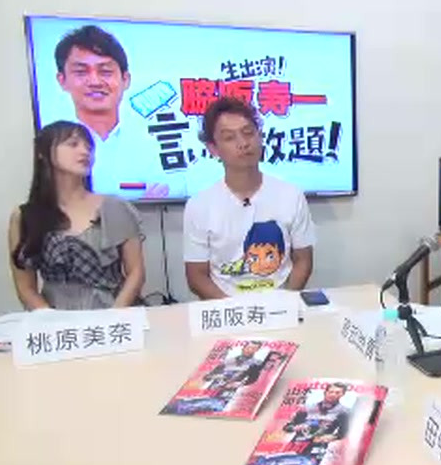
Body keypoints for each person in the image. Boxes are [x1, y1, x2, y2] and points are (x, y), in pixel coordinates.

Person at [183, 97, 316, 299]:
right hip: (226, 308)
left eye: (248, 133)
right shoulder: (199, 206)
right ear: (213, 149)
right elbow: (196, 277)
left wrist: (285, 302)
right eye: (229, 137)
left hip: (281, 304)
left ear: (260, 137)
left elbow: (303, 261)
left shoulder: (291, 195)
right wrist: (234, 310)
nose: (244, 143)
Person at [8, 120, 145, 310]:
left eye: (89, 147)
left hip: (112, 313)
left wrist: (114, 315)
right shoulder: (26, 216)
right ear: (42, 153)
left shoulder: (115, 207)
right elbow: (25, 288)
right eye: (73, 144)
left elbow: (136, 273)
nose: (85, 152)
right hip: (54, 318)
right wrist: (51, 318)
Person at [54, 24, 173, 199]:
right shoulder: (55, 147)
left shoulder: (151, 145)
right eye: (81, 72)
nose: (94, 82)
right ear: (62, 80)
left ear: (126, 80)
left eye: (105, 71)